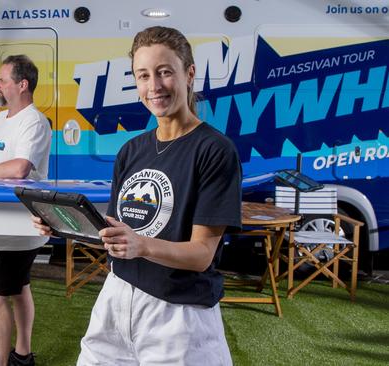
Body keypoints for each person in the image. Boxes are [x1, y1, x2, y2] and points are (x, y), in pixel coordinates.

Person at [34, 26, 242, 365]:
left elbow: (202, 253)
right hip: (117, 296)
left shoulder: (214, 150)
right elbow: (117, 237)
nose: (154, 87)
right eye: (143, 76)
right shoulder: (132, 151)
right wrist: (61, 224)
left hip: (178, 315)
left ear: (189, 74)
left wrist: (141, 245)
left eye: (164, 73)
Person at [0, 55, 52, 366]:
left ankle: (2, 363)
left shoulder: (35, 121)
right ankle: (23, 356)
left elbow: (19, 169)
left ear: (22, 84)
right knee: (19, 288)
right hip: (0, 222)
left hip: (23, 226)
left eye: (3, 80)